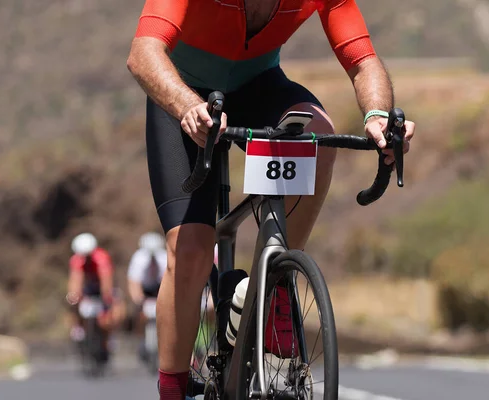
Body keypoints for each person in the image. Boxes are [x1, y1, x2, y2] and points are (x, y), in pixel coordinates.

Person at [126, 1, 417, 398]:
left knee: (318, 136)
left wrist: (377, 116)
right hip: (184, 91)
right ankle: (173, 388)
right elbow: (143, 53)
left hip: (258, 86)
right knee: (191, 247)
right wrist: (187, 106)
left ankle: (273, 282)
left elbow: (362, 59)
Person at [66, 233, 117, 360]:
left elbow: (106, 280)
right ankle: (79, 328)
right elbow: (75, 280)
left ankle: (107, 339)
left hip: (100, 286)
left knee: (105, 316)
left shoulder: (101, 257)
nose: (86, 258)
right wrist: (74, 296)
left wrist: (106, 296)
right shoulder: (76, 260)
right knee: (73, 301)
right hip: (87, 287)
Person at [127, 231, 168, 360]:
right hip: (145, 288)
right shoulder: (138, 258)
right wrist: (138, 299)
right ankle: (141, 338)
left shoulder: (164, 257)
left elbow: (169, 281)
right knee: (140, 314)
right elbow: (133, 282)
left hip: (160, 287)